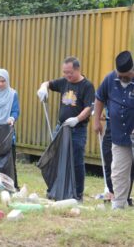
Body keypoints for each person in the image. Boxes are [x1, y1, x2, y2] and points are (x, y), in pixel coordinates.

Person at [37, 56, 95, 201]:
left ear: (77, 70)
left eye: (69, 72)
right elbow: (48, 83)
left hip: (77, 130)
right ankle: (54, 190)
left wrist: (77, 119)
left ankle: (78, 194)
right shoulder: (64, 82)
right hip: (61, 128)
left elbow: (89, 107)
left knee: (76, 161)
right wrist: (43, 87)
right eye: (64, 72)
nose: (67, 75)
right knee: (55, 158)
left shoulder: (87, 86)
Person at [94, 50, 134, 209]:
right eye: (120, 74)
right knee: (118, 172)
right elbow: (99, 98)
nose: (121, 78)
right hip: (119, 136)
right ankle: (119, 205)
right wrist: (96, 120)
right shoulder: (111, 78)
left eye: (125, 75)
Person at [101, 110, 134, 205]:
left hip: (128, 125)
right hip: (111, 124)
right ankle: (111, 193)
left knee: (128, 164)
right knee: (108, 159)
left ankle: (124, 197)